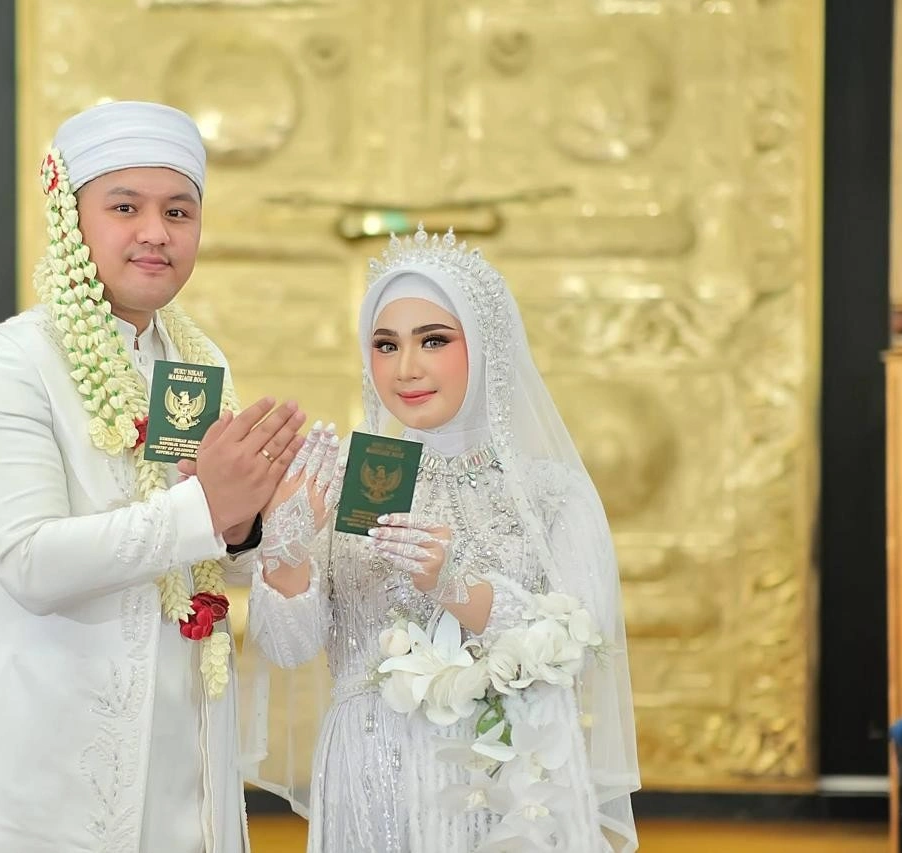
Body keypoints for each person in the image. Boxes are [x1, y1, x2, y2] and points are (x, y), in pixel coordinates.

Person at [0, 101, 307, 853]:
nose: (155, 232)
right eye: (124, 207)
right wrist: (209, 506)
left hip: (188, 741)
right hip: (63, 741)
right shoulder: (6, 360)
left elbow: (214, 558)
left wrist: (247, 523)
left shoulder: (196, 362)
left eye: (178, 210)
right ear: (71, 221)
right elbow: (28, 562)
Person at [242, 226, 640, 851]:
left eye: (433, 340)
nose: (406, 368)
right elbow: (289, 651)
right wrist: (286, 550)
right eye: (385, 345)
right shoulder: (346, 480)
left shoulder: (549, 494)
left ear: (487, 344)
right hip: (368, 781)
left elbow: (580, 649)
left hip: (503, 780)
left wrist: (457, 586)